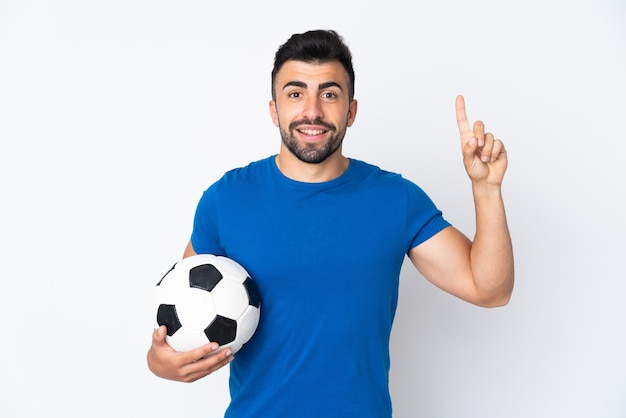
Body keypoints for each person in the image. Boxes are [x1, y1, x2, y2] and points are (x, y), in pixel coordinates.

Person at [147, 29, 514, 417]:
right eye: (295, 93)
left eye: (329, 93)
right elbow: (174, 331)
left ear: (351, 111)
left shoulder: (395, 199)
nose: (312, 111)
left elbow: (489, 289)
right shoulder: (226, 200)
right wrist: (159, 362)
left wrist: (487, 190)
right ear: (274, 110)